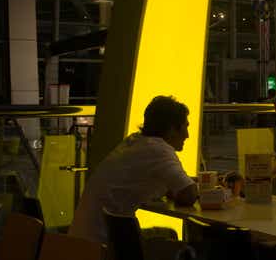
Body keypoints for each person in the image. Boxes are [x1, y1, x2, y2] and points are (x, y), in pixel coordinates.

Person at [69, 95, 199, 247]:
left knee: (169, 235)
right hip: (105, 247)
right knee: (181, 247)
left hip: (80, 242)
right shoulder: (159, 150)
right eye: (185, 127)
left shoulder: (134, 142)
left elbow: (164, 186)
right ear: (171, 129)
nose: (187, 135)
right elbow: (189, 194)